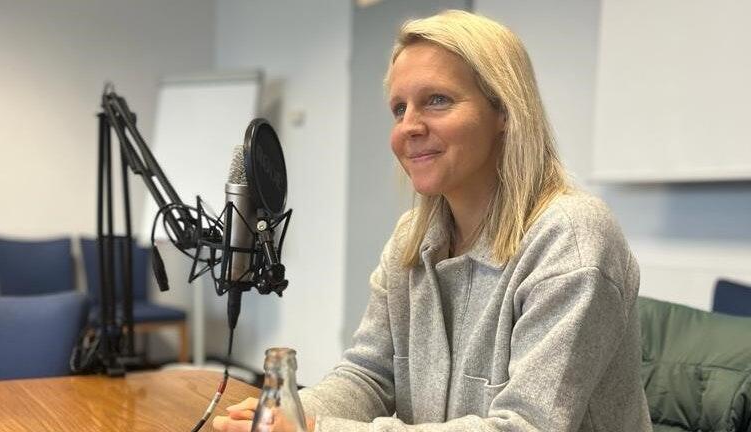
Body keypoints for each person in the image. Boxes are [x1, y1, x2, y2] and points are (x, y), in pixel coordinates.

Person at [213, 9, 651, 432]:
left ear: (504, 111)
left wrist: (317, 429)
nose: (409, 127)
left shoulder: (571, 239)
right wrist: (284, 411)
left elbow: (524, 427)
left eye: (437, 100)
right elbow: (368, 376)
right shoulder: (412, 239)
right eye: (399, 109)